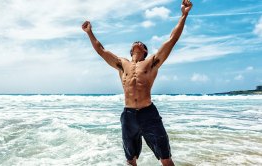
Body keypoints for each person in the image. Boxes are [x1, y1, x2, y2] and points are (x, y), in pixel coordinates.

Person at [82, 0, 192, 165]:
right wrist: (89, 32)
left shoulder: (151, 63)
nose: (137, 42)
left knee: (165, 157)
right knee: (130, 159)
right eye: (135, 43)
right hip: (128, 116)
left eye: (141, 43)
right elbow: (101, 50)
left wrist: (184, 15)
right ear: (131, 49)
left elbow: (171, 40)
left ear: (145, 51)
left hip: (149, 113)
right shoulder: (122, 64)